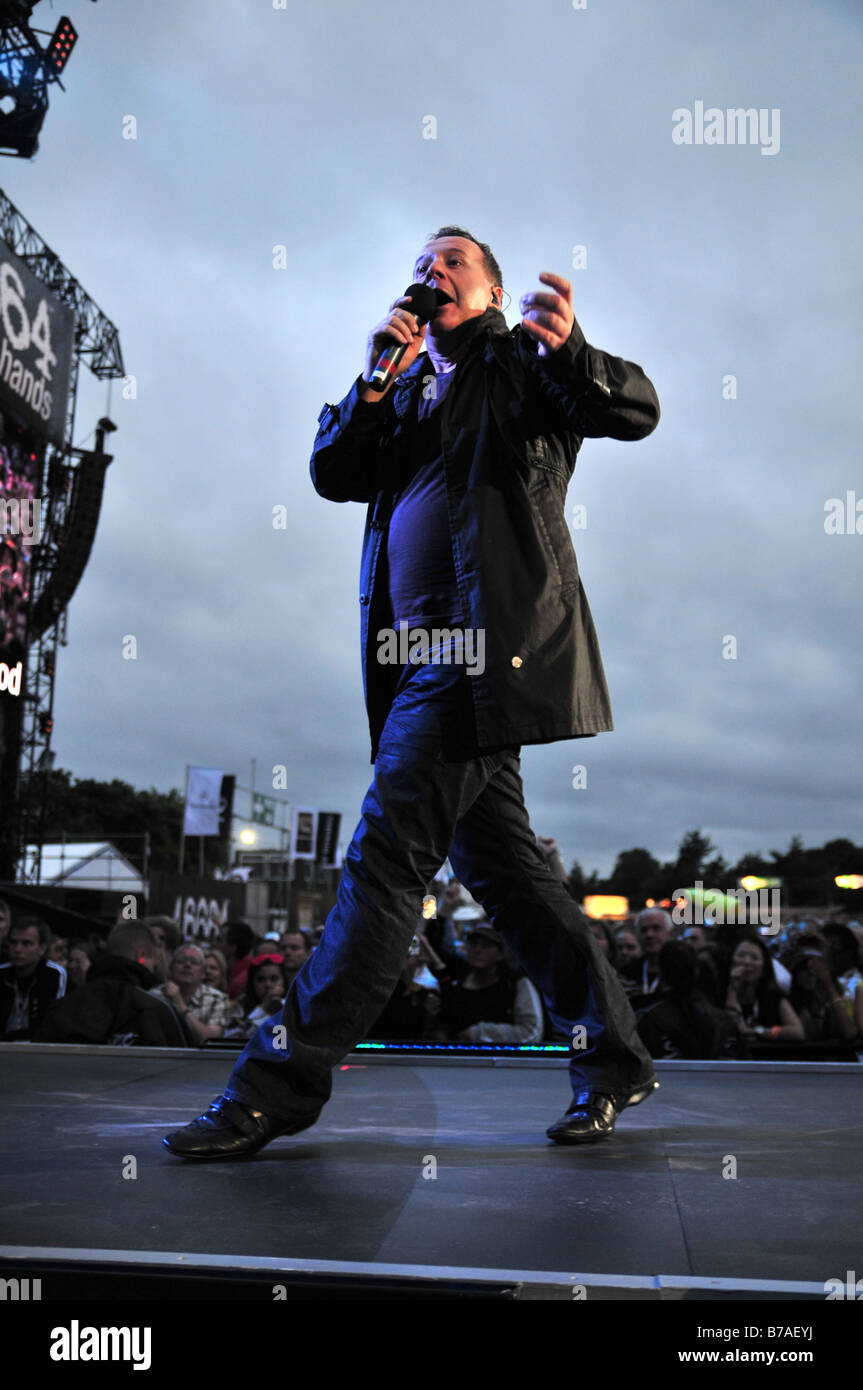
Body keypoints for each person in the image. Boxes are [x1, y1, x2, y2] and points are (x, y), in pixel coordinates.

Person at [164, 224, 661, 1159]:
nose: (431, 271)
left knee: (386, 860)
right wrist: (375, 378)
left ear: (489, 296)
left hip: (477, 652)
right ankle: (615, 1061)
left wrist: (577, 353)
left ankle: (275, 1085)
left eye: (453, 262)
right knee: (513, 883)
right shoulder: (402, 390)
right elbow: (330, 474)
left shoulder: (519, 363)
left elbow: (633, 409)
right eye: (423, 262)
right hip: (413, 659)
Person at [36, 921, 188, 1047]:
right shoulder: (154, 1009)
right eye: (153, 963)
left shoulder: (65, 1005)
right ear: (140, 955)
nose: (153, 969)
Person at [421, 922, 544, 1045]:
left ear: (500, 954)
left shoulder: (516, 984)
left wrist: (479, 1033)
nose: (477, 950)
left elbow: (531, 1033)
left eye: (486, 946)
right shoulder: (458, 982)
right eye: (474, 945)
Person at [723, 935, 804, 1046]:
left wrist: (757, 1031)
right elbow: (730, 1027)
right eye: (741, 955)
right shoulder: (719, 994)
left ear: (763, 967)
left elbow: (797, 1032)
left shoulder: (774, 998)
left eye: (754, 958)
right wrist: (733, 989)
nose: (747, 962)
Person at [0, 916, 66, 1040]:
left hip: (37, 1048)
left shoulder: (53, 974)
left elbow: (51, 1023)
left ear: (42, 948)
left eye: (27, 944)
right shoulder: (2, 973)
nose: (18, 949)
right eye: (13, 943)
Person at [150, 943, 230, 1044]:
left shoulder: (217, 999)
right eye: (181, 961)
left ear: (202, 973)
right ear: (170, 969)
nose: (187, 965)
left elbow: (210, 1041)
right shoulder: (155, 996)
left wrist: (180, 1004)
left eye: (194, 962)